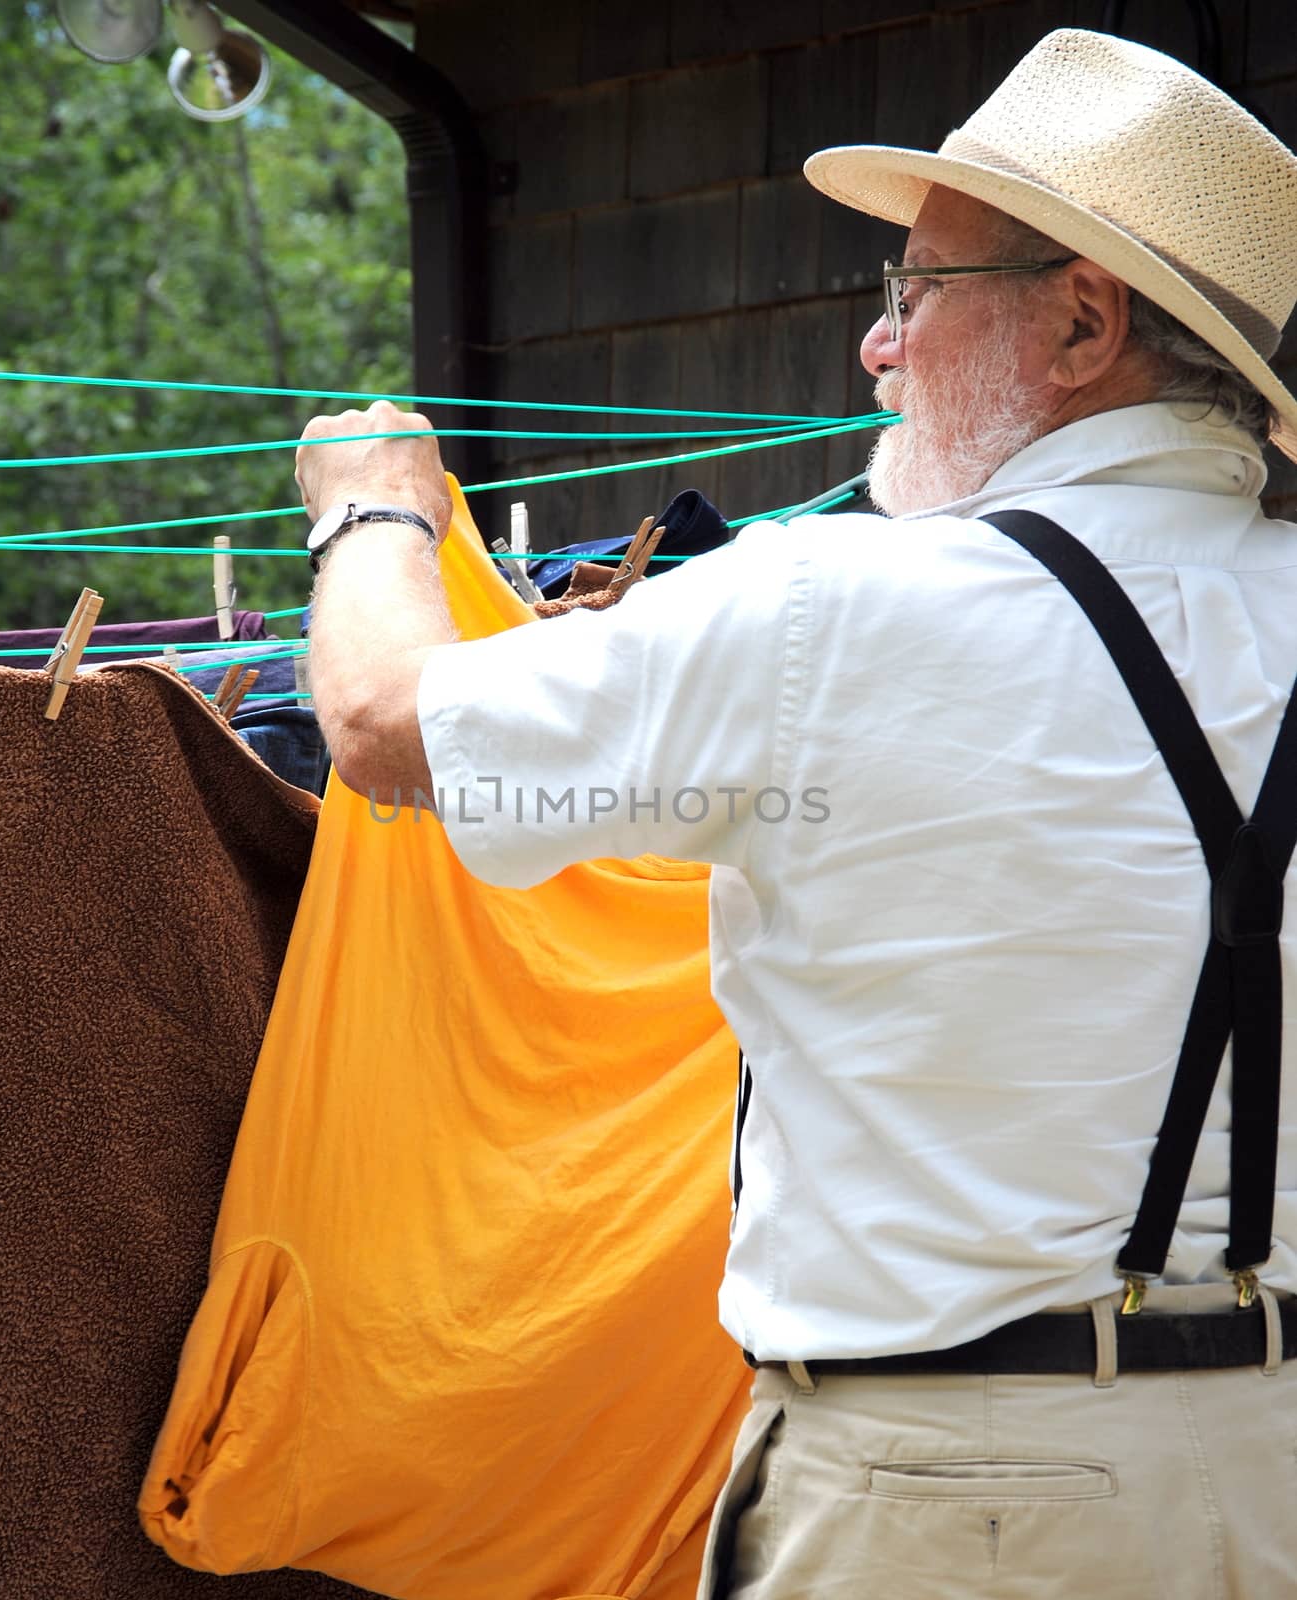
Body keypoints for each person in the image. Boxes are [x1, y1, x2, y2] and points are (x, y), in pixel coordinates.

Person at [297, 28, 1297, 1599]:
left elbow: (376, 727)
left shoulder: (827, 606)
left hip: (948, 1501)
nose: (875, 353)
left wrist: (375, 510)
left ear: (1083, 323)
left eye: (915, 293)